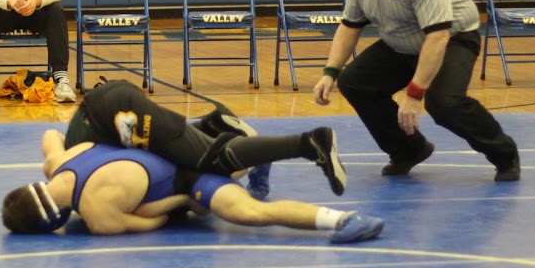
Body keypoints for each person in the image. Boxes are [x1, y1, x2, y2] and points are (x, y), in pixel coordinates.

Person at [313, 0, 521, 182]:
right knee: (354, 82)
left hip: (451, 39)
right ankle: (408, 149)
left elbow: (437, 37)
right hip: (401, 41)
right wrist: (330, 72)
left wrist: (413, 95)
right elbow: (350, 25)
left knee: (443, 103)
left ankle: (504, 154)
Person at [0, 129, 383, 243]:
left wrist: (184, 200)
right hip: (180, 142)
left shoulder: (99, 217)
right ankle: (246, 156)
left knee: (250, 213)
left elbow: (156, 223)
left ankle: (341, 220)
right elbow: (50, 133)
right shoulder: (57, 162)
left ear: (53, 222)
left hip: (190, 178)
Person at [64, 78, 346, 197]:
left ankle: (310, 143)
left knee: (213, 160)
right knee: (175, 149)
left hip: (115, 114)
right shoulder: (64, 169)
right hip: (107, 109)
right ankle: (212, 125)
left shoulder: (91, 197)